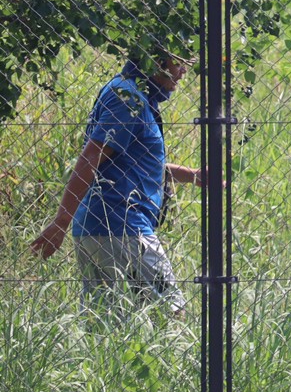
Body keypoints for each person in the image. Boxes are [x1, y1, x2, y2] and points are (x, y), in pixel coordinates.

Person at [30, 51, 209, 317]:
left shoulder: (130, 93)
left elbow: (132, 164)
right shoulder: (128, 99)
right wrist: (60, 222)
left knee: (107, 323)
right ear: (155, 60)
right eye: (179, 63)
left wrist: (192, 175)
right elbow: (91, 156)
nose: (184, 71)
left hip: (98, 227)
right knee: (171, 313)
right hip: (123, 225)